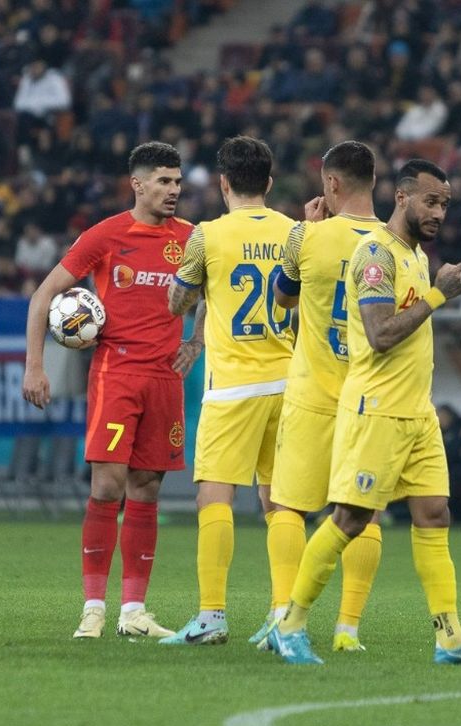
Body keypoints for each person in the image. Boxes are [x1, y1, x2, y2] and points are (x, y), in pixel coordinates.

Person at [269, 159, 461, 665]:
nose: (439, 212)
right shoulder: (376, 254)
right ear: (401, 197)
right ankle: (289, 623)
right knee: (351, 518)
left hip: (416, 413)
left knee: (434, 514)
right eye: (430, 201)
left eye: (445, 204)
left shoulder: (416, 254)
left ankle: (450, 638)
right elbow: (380, 335)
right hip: (376, 409)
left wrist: (431, 290)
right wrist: (437, 296)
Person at [22, 142, 199, 640]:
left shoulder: (190, 239)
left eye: (178, 182)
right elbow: (43, 295)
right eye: (164, 181)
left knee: (148, 488)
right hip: (115, 374)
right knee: (107, 487)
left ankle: (134, 612)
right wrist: (35, 366)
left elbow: (209, 291)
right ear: (137, 185)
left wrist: (197, 340)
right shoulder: (106, 235)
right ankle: (93, 608)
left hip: (165, 378)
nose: (174, 191)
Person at [159, 136, 295, 646]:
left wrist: (190, 290)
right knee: (280, 502)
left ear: (223, 183)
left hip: (233, 386)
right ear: (269, 183)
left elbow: (177, 301)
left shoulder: (206, 236)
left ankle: (212, 616)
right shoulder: (294, 232)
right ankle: (284, 618)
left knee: (214, 495)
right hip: (288, 382)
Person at [262, 141, 386, 653]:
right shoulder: (398, 244)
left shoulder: (305, 237)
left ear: (331, 183)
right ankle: (348, 629)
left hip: (313, 392)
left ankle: (283, 618)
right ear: (374, 182)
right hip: (371, 399)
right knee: (365, 513)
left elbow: (283, 299)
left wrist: (309, 231)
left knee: (286, 506)